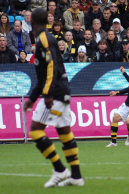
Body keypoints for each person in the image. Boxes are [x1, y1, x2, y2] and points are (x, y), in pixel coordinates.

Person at [24, 8, 84, 187]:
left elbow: (51, 68)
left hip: (55, 93)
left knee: (35, 130)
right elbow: (43, 76)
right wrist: (33, 97)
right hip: (60, 90)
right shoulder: (44, 37)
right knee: (64, 132)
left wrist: (47, 94)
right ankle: (76, 176)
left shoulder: (44, 38)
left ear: (33, 21)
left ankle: (60, 170)